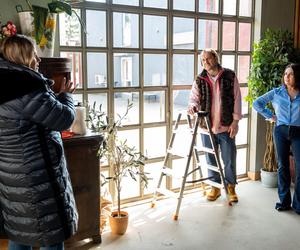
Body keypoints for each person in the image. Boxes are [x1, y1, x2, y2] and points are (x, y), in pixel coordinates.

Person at [0, 35, 78, 249]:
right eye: (35, 54)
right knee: (51, 237)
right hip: (38, 179)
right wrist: (65, 96)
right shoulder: (27, 88)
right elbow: (64, 119)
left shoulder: (6, 85)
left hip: (11, 177)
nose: (38, 59)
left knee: (20, 232)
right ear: (25, 56)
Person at [188, 48, 242, 202]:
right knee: (211, 159)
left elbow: (237, 98)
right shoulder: (200, 79)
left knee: (229, 158)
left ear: (216, 58)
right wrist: (193, 106)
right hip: (207, 127)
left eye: (208, 58)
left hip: (226, 126)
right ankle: (215, 187)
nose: (206, 62)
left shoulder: (229, 76)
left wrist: (235, 121)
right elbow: (194, 98)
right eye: (203, 60)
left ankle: (231, 187)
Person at [253, 63, 300, 214]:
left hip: (298, 132)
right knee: (283, 166)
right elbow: (257, 103)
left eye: (290, 74)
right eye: (285, 74)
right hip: (280, 131)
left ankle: (298, 204)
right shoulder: (277, 92)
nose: (286, 77)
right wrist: (270, 116)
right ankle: (284, 202)